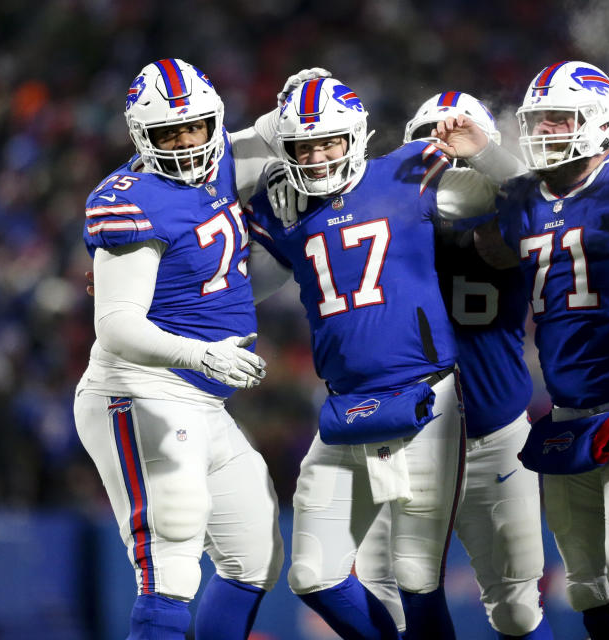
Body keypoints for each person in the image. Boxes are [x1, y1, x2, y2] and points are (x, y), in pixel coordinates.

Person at [245, 76, 527, 640]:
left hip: (428, 397)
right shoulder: (282, 206)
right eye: (305, 146)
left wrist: (485, 153)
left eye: (329, 142)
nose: (318, 157)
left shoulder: (408, 170)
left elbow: (523, 197)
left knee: (418, 578)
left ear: (356, 136)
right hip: (347, 405)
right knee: (312, 575)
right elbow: (235, 272)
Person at [74, 59, 285, 640]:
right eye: (170, 133)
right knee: (170, 565)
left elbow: (271, 133)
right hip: (140, 391)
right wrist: (199, 353)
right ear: (143, 137)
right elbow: (116, 325)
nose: (188, 143)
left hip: (202, 401)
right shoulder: (134, 197)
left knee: (253, 556)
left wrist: (297, 90)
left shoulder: (220, 161)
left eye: (196, 127)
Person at [352, 91, 553, 639]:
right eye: (435, 152)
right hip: (409, 434)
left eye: (462, 156)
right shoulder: (382, 220)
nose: (448, 168)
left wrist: (485, 158)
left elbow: (535, 205)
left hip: (494, 432)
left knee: (516, 607)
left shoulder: (511, 218)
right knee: (388, 588)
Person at [478, 60, 609, 640]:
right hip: (567, 410)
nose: (547, 131)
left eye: (561, 118)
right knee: (585, 584)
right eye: (540, 119)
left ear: (602, 122)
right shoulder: (522, 198)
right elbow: (491, 243)